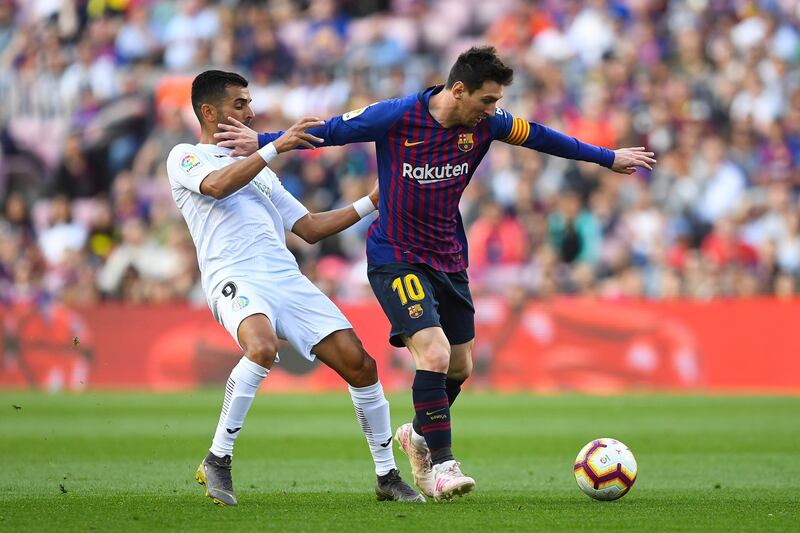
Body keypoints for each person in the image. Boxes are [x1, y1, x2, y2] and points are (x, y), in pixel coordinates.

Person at [214, 46, 657, 501]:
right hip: (395, 256)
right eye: (487, 100)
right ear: (459, 90)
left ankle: (418, 437)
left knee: (461, 366)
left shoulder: (489, 124)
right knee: (436, 352)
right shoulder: (396, 115)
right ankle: (443, 466)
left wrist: (607, 157)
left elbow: (543, 137)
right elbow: (330, 131)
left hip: (448, 256)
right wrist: (263, 141)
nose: (494, 110)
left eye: (497, 101)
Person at [166, 70, 424, 506]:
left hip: (285, 278)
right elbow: (217, 186)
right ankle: (218, 458)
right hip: (234, 276)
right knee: (262, 346)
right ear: (209, 112)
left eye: (250, 103)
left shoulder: (262, 172)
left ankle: (387, 476)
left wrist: (373, 201)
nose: (251, 111)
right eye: (239, 105)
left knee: (360, 365)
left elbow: (308, 227)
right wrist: (274, 147)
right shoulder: (187, 156)